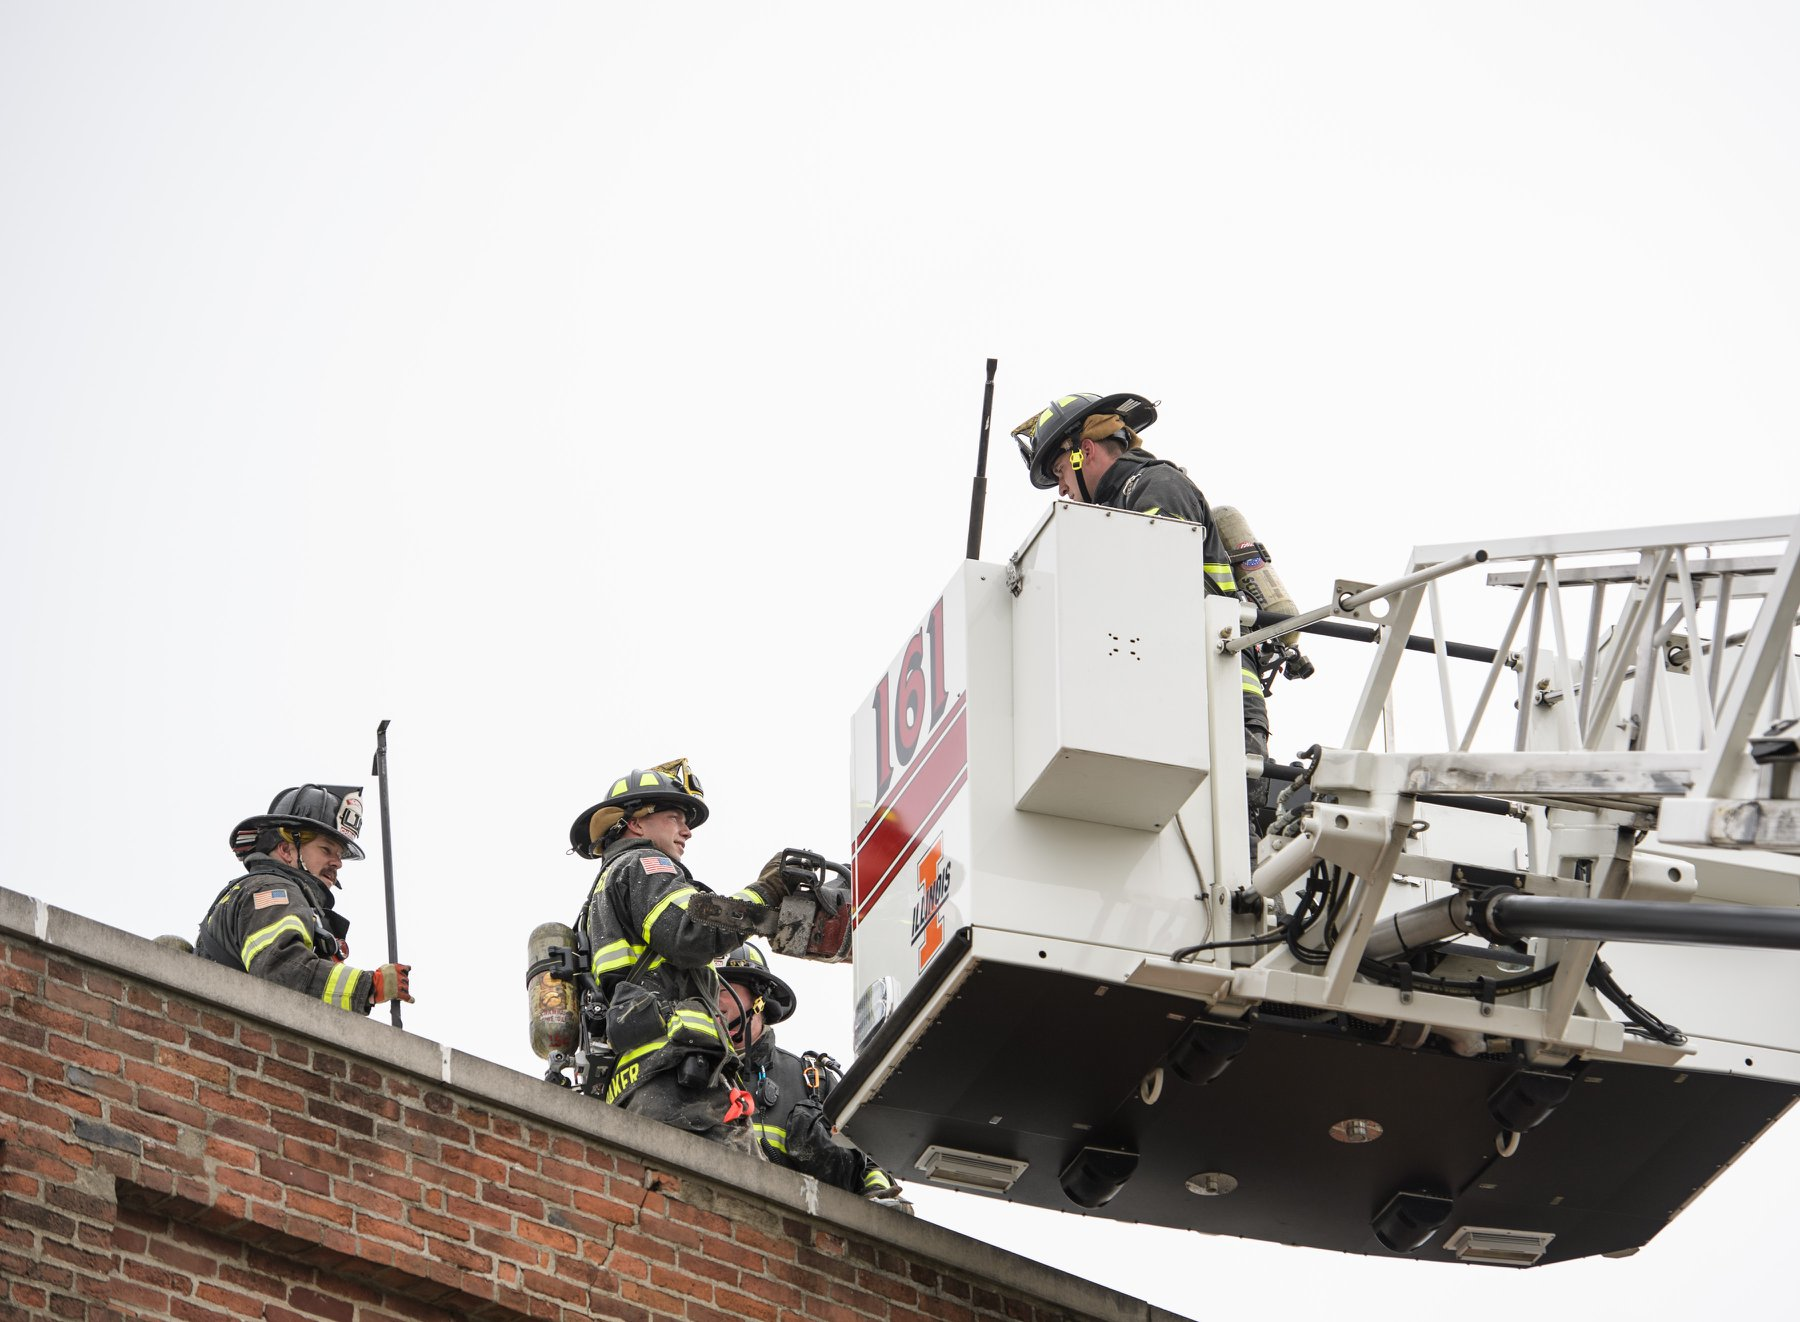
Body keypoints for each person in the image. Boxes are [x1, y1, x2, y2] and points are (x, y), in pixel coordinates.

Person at [1013, 392, 1272, 773]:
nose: (1062, 489)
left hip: (1222, 699)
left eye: (1060, 471)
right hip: (1187, 697)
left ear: (1085, 451)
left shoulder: (1155, 485)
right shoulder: (1115, 512)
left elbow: (1157, 589)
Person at [570, 760, 794, 1152]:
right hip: (674, 1078)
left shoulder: (601, 896)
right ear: (636, 824)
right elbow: (691, 932)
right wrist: (767, 893)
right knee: (735, 1182)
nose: (686, 831)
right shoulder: (643, 864)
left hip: (640, 1081)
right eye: (674, 818)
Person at [195, 784, 414, 1014]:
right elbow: (282, 970)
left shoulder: (273, 893)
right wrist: (369, 986)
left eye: (339, 855)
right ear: (286, 850)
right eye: (326, 849)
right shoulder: (273, 891)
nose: (338, 863)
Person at [715, 943, 903, 1203]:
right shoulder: (683, 1073)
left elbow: (871, 1160)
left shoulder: (811, 1081)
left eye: (723, 990)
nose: (712, 1000)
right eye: (704, 989)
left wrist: (878, 1197)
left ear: (759, 998)